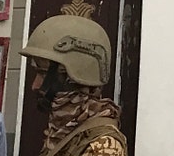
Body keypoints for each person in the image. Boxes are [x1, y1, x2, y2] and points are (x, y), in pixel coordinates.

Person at [20, 13, 125, 156]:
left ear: (74, 78)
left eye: (43, 74)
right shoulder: (65, 130)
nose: (35, 85)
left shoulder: (103, 146)